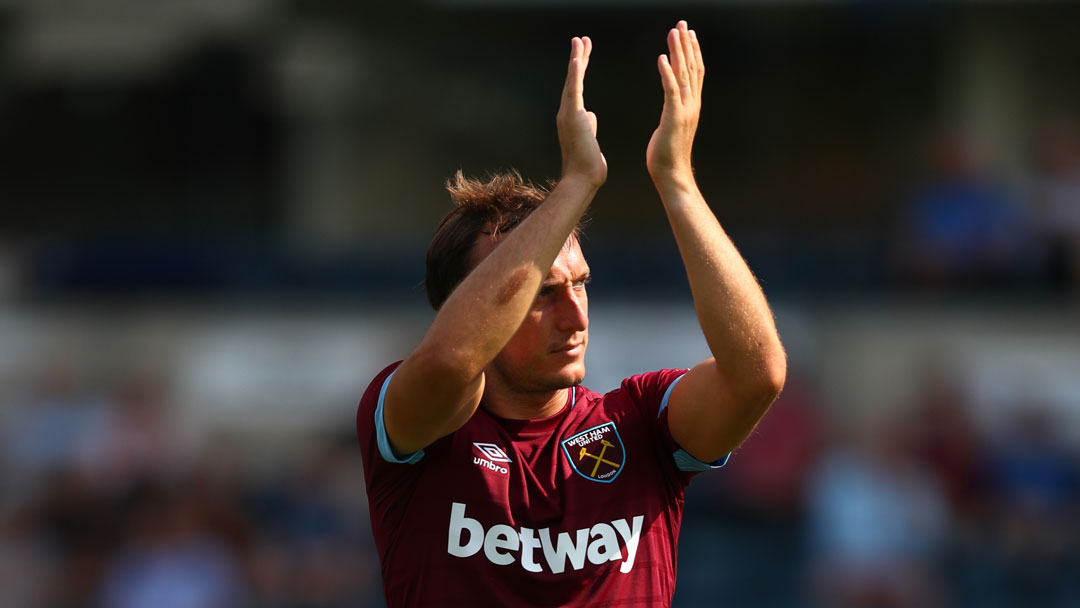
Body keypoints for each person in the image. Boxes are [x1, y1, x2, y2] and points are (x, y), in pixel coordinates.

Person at [356, 21, 786, 607]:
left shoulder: (640, 425)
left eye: (580, 285)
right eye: (542, 294)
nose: (575, 316)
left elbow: (757, 374)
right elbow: (452, 361)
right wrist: (576, 184)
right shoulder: (428, 426)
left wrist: (677, 181)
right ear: (474, 304)